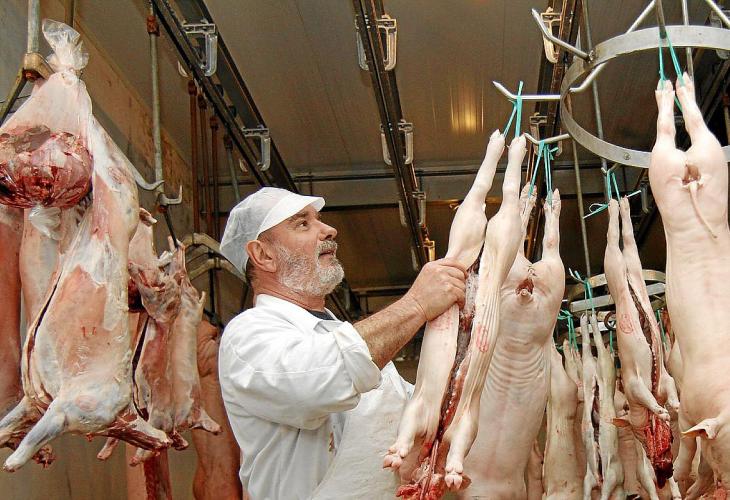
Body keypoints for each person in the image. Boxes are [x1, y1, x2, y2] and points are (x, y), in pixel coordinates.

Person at [218, 187, 467, 499]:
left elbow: (421, 413)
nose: (328, 230)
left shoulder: (346, 337)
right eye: (303, 224)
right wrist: (416, 304)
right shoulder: (248, 335)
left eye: (319, 219)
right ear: (264, 255)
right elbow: (320, 379)